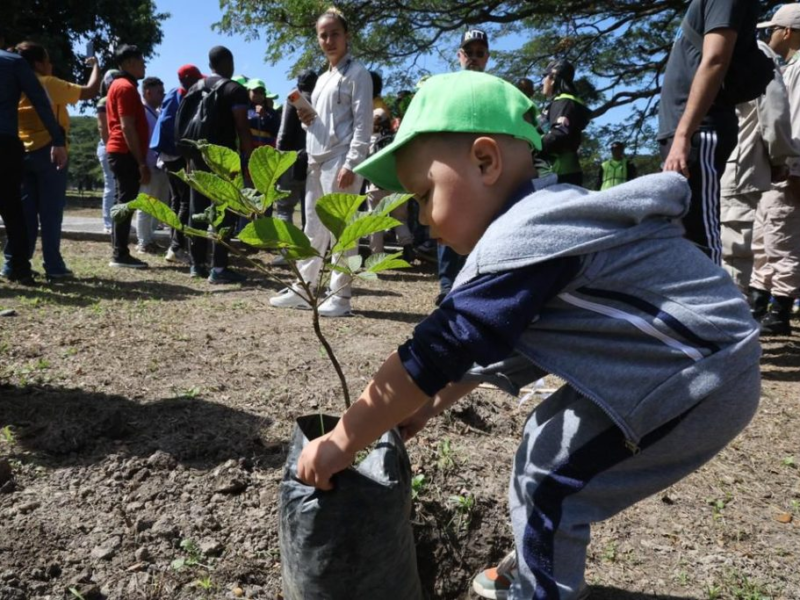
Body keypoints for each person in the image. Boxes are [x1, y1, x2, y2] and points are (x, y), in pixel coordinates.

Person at [295, 71, 761, 600]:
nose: (422, 219)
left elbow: (435, 350)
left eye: (424, 194)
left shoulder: (523, 238)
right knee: (546, 437)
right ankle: (537, 559)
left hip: (698, 373)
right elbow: (494, 346)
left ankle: (543, 588)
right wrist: (431, 403)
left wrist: (341, 440)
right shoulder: (543, 218)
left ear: (485, 161)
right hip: (683, 359)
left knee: (547, 482)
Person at [269, 7, 372, 317]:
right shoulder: (323, 78)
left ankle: (341, 297)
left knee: (342, 230)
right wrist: (305, 118)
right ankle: (304, 287)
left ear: (347, 36)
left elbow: (362, 124)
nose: (329, 40)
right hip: (316, 158)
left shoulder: (358, 74)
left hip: (342, 159)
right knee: (312, 227)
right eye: (323, 35)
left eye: (334, 34)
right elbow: (320, 124)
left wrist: (352, 163)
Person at [658, 0, 762, 263]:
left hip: (697, 132)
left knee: (700, 236)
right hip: (683, 132)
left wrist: (683, 136)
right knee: (680, 233)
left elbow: (716, 59)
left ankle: (718, 303)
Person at [13, 41, 100, 279]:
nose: (51, 65)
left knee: (25, 213)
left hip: (20, 152)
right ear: (39, 64)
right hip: (50, 151)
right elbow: (91, 90)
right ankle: (53, 265)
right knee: (50, 213)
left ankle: (16, 262)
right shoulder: (47, 83)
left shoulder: (14, 84)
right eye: (48, 60)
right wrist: (95, 66)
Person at [719, 33, 797, 293]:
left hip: (728, 161)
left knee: (739, 242)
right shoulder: (761, 56)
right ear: (788, 32)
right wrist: (781, 158)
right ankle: (731, 320)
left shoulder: (728, 50)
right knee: (738, 247)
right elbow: (774, 115)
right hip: (746, 163)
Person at [0, 29, 67, 286]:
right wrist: (57, 139)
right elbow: (40, 100)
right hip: (5, 140)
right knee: (13, 208)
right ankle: (19, 268)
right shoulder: (12, 62)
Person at [749, 5, 800, 335]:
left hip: (790, 165)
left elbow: (794, 118)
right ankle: (757, 303)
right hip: (775, 164)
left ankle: (779, 310)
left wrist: (793, 165)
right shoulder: (787, 65)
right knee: (762, 236)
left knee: (783, 237)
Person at [433, 27, 493, 306]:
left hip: (484, 168)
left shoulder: (496, 90)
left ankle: (474, 283)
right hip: (453, 165)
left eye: (480, 53)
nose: (474, 58)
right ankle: (447, 284)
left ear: (487, 58)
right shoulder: (445, 86)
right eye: (469, 52)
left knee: (483, 226)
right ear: (459, 55)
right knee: (446, 221)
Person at [186, 45, 254, 284]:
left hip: (197, 157)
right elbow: (242, 128)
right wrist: (250, 162)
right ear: (229, 63)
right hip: (224, 159)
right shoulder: (234, 89)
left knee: (198, 210)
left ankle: (196, 264)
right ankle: (220, 267)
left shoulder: (194, 88)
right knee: (225, 211)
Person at [150, 64, 204, 265]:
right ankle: (176, 247)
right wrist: (185, 154)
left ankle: (176, 244)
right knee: (185, 202)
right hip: (177, 156)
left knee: (176, 200)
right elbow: (176, 128)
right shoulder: (182, 97)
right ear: (190, 80)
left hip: (168, 155)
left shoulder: (174, 94)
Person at [105, 44, 150, 268]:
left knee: (121, 203)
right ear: (130, 63)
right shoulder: (125, 87)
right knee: (126, 203)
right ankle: (120, 254)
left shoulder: (120, 85)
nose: (144, 66)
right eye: (141, 61)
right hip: (125, 152)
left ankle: (119, 250)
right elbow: (127, 126)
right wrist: (141, 162)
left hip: (120, 151)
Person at [274, 68, 317, 230]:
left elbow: (283, 134)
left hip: (292, 161)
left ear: (299, 82)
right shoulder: (320, 100)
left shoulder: (293, 99)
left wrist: (278, 163)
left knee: (284, 208)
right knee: (310, 209)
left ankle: (286, 252)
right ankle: (311, 250)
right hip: (313, 159)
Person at [537, 59, 591, 186]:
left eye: (544, 77)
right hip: (557, 172)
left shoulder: (565, 101)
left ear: (554, 78)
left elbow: (558, 134)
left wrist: (531, 149)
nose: (542, 83)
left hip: (560, 174)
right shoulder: (560, 101)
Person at [134, 76, 167, 255]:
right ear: (148, 92)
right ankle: (143, 242)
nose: (162, 95)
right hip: (148, 165)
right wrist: (142, 165)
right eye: (159, 92)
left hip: (159, 166)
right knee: (145, 205)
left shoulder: (157, 112)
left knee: (157, 205)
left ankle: (150, 238)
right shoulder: (142, 112)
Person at [97, 69, 124, 234]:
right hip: (108, 146)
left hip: (114, 146)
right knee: (111, 185)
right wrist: (110, 147)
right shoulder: (104, 101)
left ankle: (116, 220)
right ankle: (108, 223)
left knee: (117, 187)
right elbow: (102, 127)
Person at [246, 78, 280, 149]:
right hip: (248, 151)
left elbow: (277, 131)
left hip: (267, 152)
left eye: (261, 92)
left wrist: (264, 117)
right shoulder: (244, 110)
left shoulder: (272, 113)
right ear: (248, 92)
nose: (258, 95)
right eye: (255, 91)